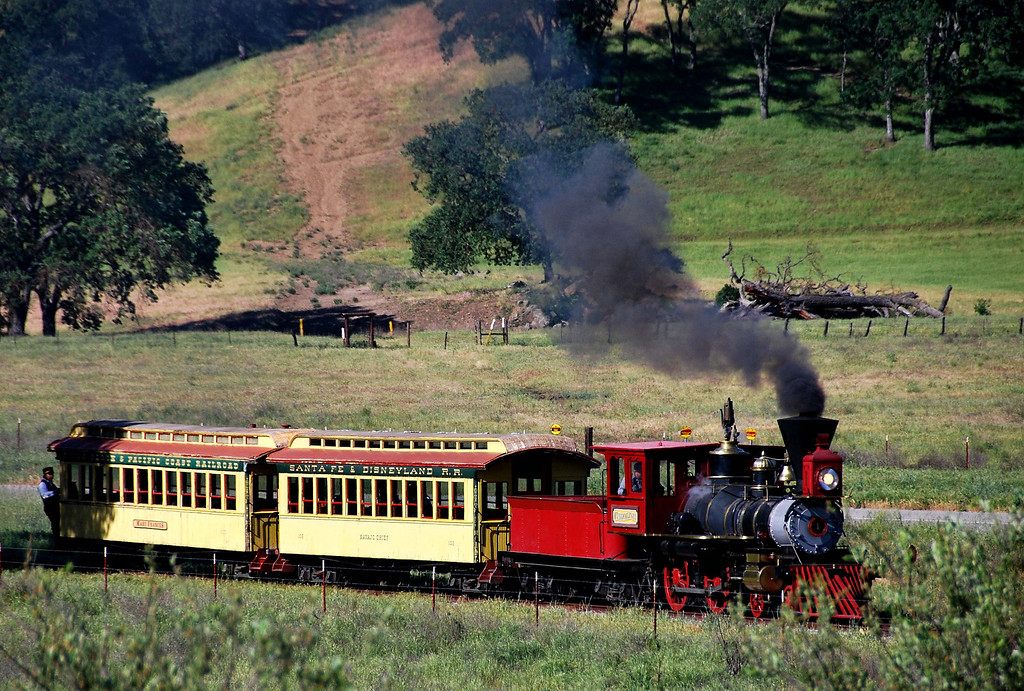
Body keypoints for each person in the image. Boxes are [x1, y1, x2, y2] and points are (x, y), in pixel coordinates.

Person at [38, 467, 60, 539]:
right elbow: (44, 495)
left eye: (52, 474)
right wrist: (55, 492)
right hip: (50, 507)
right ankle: (56, 538)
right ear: (45, 475)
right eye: (49, 474)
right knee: (55, 523)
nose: (51, 476)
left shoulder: (51, 484)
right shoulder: (43, 484)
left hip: (55, 507)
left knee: (57, 523)